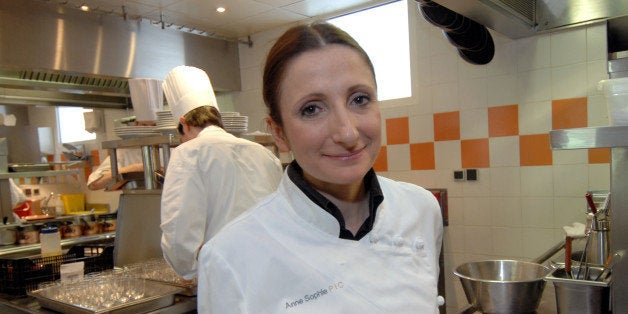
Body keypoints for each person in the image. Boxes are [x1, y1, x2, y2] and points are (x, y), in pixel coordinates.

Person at [197, 22, 443, 313]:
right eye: (312, 108)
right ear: (278, 133)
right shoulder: (231, 256)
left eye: (359, 99)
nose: (347, 133)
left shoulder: (421, 209)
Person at [159, 65, 283, 280]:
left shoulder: (188, 153)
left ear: (183, 124)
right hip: (273, 272)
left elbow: (179, 232)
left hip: (226, 279)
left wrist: (187, 269)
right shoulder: (264, 153)